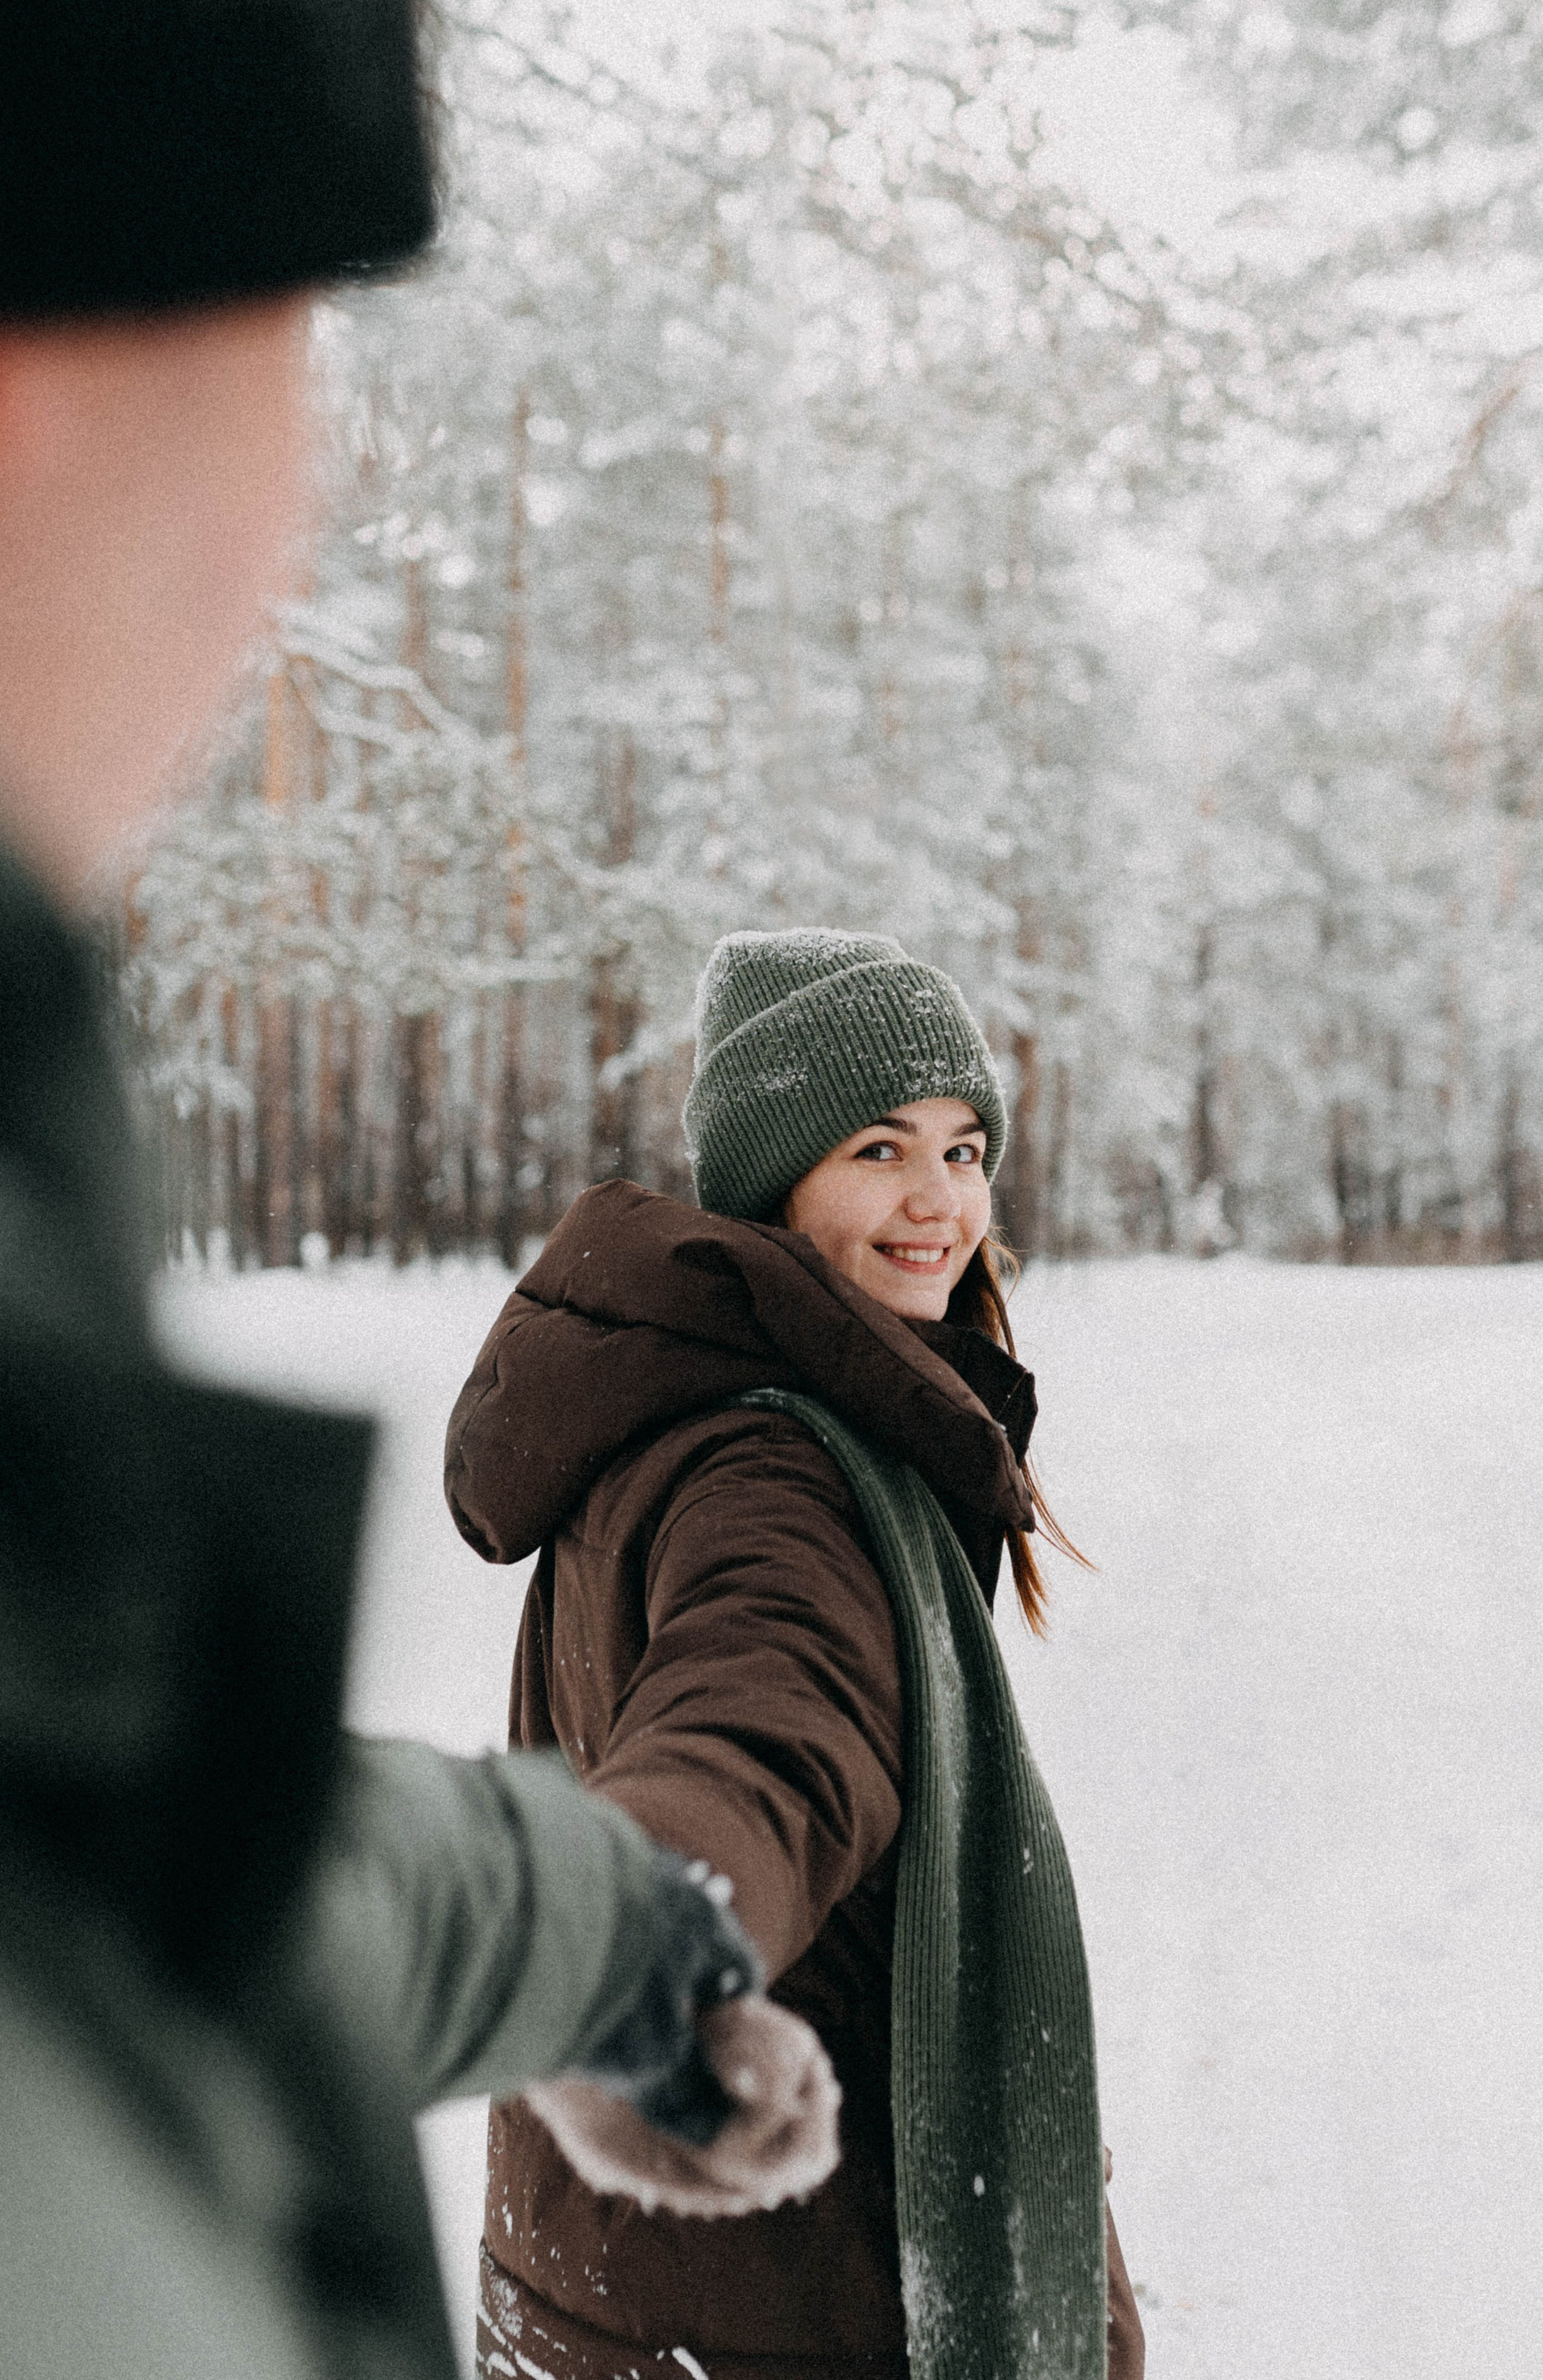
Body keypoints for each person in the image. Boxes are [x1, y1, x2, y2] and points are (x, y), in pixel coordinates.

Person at [0, 0, 835, 2377]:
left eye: (963, 1144)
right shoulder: (762, 1440)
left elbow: (152, 1907)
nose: (311, 468)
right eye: (299, 318)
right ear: (45, 371)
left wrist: (612, 1929)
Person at [447, 928, 1147, 2380]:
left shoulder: (678, 1387)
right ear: (773, 1182)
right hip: (778, 2298)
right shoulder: (773, 1466)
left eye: (964, 1150)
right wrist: (648, 1931)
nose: (938, 1202)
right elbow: (767, 1718)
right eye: (878, 1150)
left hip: (625, 2271)